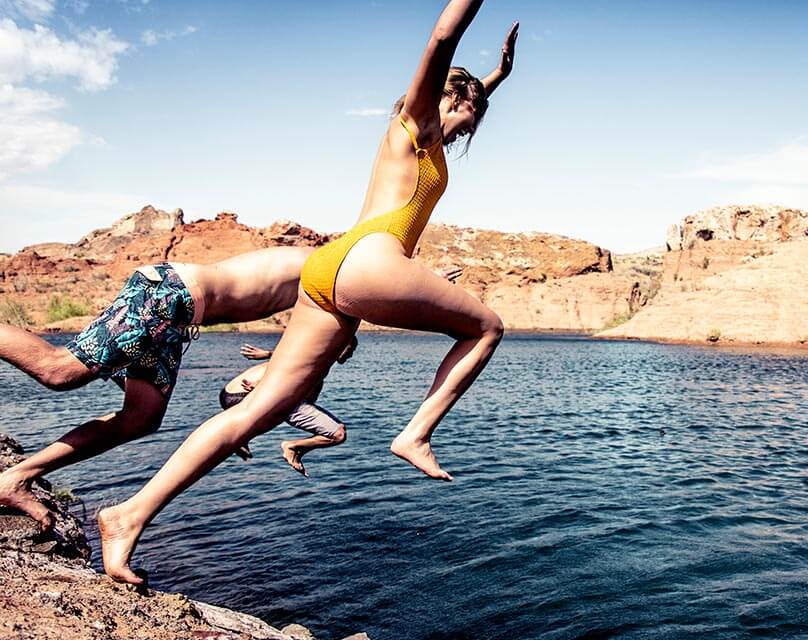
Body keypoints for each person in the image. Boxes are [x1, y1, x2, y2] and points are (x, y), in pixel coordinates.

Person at [97, 0, 517, 584]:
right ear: (446, 99)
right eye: (462, 119)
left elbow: (467, 90)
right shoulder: (416, 120)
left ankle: (127, 517)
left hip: (333, 271)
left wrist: (497, 78)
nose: (460, 132)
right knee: (488, 327)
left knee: (255, 414)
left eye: (469, 129)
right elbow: (443, 37)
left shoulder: (434, 135)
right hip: (370, 259)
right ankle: (416, 434)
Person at [0, 247, 313, 530]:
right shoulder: (328, 267)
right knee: (58, 371)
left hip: (176, 317)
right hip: (168, 295)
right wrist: (245, 424)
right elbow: (302, 363)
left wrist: (243, 424)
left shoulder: (328, 270)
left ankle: (15, 479)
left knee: (142, 417)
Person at [220, 339, 357, 477]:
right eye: (350, 349)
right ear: (339, 346)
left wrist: (268, 354)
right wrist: (263, 385)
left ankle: (240, 437)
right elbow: (295, 364)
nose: (351, 354)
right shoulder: (321, 360)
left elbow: (295, 357)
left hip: (230, 393)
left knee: (294, 406)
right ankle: (291, 447)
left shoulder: (318, 359)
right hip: (248, 392)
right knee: (338, 434)